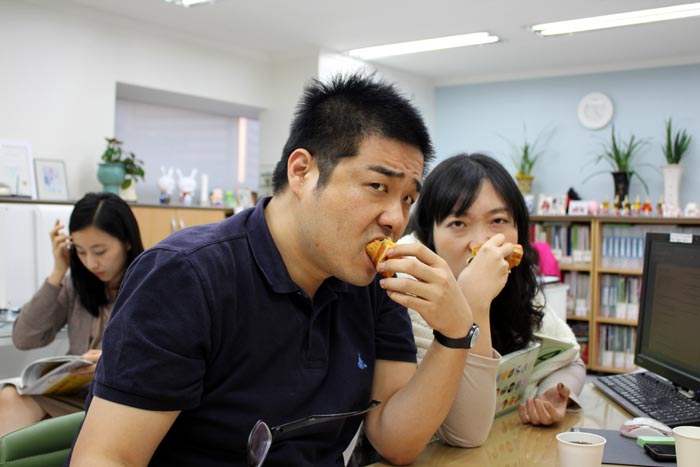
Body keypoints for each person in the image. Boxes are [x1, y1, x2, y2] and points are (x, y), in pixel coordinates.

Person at [68, 73, 509, 467]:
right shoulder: (185, 277)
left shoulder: (372, 281)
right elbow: (106, 456)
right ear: (302, 171)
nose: (396, 218)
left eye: (409, 198)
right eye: (378, 187)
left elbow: (395, 441)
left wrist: (454, 333)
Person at [401, 153, 585, 447]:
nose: (482, 243)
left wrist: (553, 393)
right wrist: (474, 303)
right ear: (429, 237)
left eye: (498, 220)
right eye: (458, 223)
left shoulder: (514, 281)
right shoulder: (410, 294)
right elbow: (463, 434)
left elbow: (570, 359)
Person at [0, 192, 144, 436]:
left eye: (99, 251)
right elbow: (25, 338)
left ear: (127, 242)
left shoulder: (149, 283)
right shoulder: (77, 285)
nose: (91, 263)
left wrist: (109, 360)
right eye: (80, 251)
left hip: (119, 398)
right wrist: (58, 272)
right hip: (76, 392)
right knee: (9, 397)